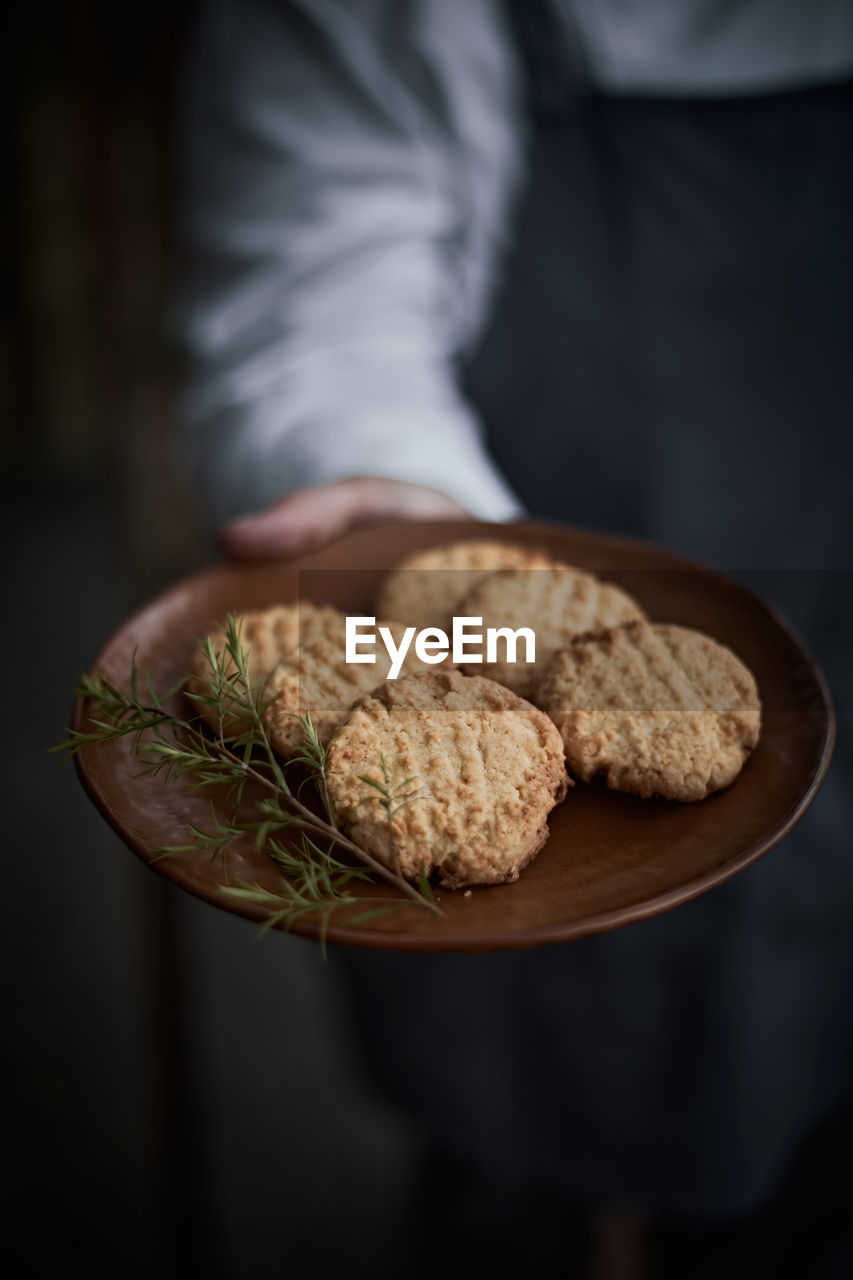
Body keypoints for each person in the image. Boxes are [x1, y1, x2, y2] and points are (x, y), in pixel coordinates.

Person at [175, 2, 853, 1273]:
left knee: (806, 1117)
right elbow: (312, 293)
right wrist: (391, 508)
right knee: (499, 1147)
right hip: (459, 579)